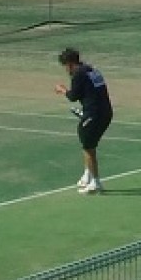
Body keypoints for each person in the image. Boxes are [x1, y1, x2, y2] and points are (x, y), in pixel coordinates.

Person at [55, 47, 112, 194]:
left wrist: (62, 90)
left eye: (65, 66)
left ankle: (96, 182)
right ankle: (88, 175)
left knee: (88, 147)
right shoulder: (91, 70)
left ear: (69, 64)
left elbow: (73, 96)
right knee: (87, 144)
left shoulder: (78, 74)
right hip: (105, 112)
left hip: (95, 114)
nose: (66, 70)